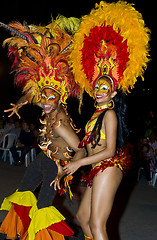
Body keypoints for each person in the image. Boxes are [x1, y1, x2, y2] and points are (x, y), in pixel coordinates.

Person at [53, 2, 150, 240]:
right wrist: (66, 168)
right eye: (97, 85)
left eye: (104, 87)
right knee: (82, 219)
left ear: (113, 93)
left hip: (108, 166)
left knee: (97, 225)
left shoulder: (109, 114)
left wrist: (78, 165)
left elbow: (108, 151)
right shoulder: (94, 116)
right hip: (96, 169)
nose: (99, 89)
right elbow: (84, 148)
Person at [0, 17, 85, 240]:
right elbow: (31, 96)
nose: (46, 101)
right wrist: (19, 103)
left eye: (51, 97)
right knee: (23, 192)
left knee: (43, 207)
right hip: (42, 158)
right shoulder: (49, 106)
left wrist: (65, 170)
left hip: (54, 166)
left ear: (61, 97)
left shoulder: (60, 122)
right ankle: (19, 231)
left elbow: (80, 148)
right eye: (44, 96)